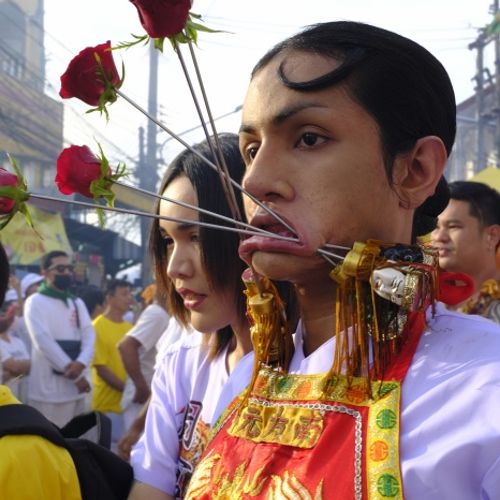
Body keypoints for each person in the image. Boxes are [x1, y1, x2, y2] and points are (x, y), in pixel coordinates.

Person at [185, 22, 500, 500]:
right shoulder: (244, 384)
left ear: (415, 170)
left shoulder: (484, 387)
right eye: (251, 149)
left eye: (308, 139)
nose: (254, 182)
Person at [127, 134, 256, 500]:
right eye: (168, 241)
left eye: (196, 237)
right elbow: (151, 485)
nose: (174, 268)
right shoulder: (182, 364)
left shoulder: (310, 373)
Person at [24, 250, 94, 428]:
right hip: (48, 390)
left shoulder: (76, 302)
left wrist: (81, 363)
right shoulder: (35, 302)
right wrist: (75, 375)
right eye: (60, 268)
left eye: (69, 268)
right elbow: (43, 341)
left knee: (74, 443)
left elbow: (89, 335)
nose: (66, 273)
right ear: (45, 272)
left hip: (76, 390)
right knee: (49, 443)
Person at [432, 180, 500, 322]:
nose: (439, 237)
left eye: (453, 226)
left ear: (492, 236)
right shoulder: (424, 303)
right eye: (435, 227)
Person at [118, 284, 171, 434]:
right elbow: (126, 346)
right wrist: (141, 387)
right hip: (142, 397)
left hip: (149, 396)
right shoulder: (157, 314)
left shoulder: (164, 315)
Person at [91, 279, 133, 447]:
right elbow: (101, 368)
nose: (129, 298)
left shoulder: (130, 328)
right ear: (109, 298)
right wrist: (129, 390)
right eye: (124, 294)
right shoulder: (96, 326)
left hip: (127, 404)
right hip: (107, 406)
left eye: (129, 293)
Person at [0, 290, 30, 399]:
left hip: (22, 398)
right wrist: (18, 369)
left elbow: (29, 366)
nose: (3, 317)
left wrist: (12, 372)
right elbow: (16, 367)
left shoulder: (17, 341)